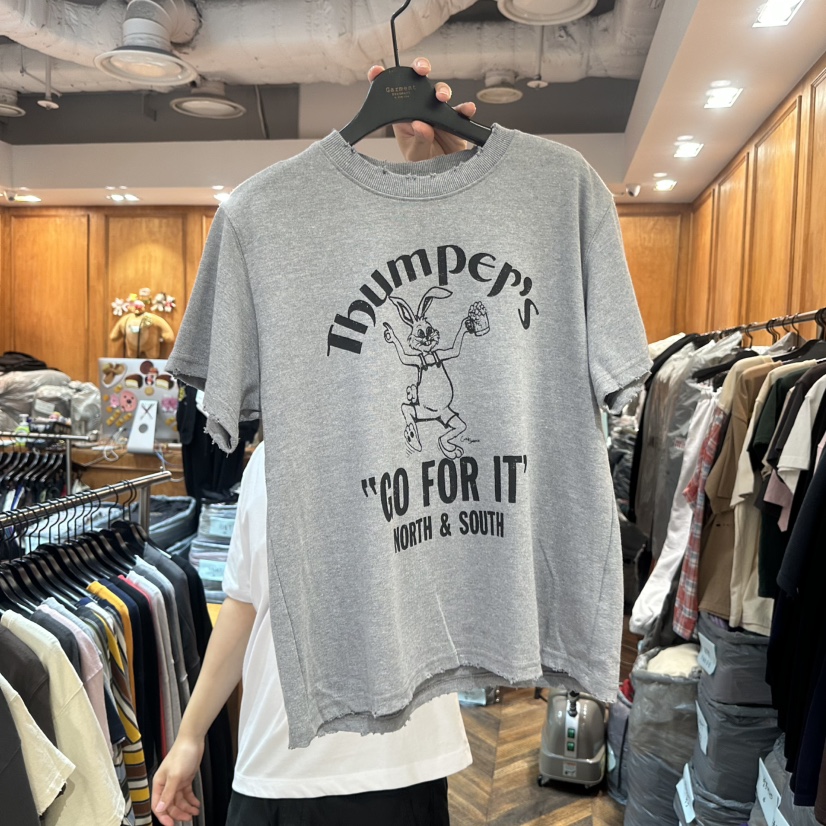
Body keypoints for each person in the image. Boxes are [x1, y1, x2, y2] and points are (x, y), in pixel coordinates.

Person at [151, 59, 479, 826]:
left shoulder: (428, 436)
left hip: (390, 766)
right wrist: (190, 736)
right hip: (286, 764)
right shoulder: (274, 462)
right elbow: (244, 607)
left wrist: (444, 186)